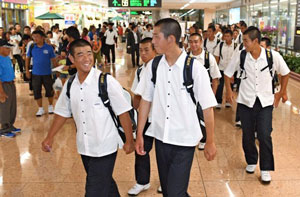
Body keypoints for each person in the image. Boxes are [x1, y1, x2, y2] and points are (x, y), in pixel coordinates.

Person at [41, 39, 135, 196]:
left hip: (105, 145)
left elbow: (123, 112)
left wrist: (129, 141)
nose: (86, 58)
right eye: (80, 55)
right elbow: (62, 112)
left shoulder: (106, 81)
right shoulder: (70, 84)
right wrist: (49, 137)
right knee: (105, 183)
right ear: (71, 59)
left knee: (94, 190)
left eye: (89, 53)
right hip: (84, 146)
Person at [135, 18, 217, 196]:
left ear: (170, 39)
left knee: (173, 192)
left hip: (184, 140)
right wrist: (140, 134)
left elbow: (208, 108)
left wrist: (210, 141)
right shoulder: (154, 66)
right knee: (169, 191)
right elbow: (145, 101)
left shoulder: (195, 69)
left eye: (156, 37)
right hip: (161, 138)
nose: (153, 41)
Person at [224, 26, 290, 183]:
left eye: (246, 41)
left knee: (264, 135)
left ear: (255, 41)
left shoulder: (272, 56)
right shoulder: (240, 55)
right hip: (246, 102)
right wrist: (228, 92)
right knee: (247, 135)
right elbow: (227, 74)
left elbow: (285, 73)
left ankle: (266, 168)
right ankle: (252, 160)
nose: (244, 43)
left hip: (265, 103)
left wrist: (281, 93)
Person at [128, 38, 157, 195]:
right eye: (141, 50)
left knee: (163, 152)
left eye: (147, 50)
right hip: (144, 118)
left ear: (155, 50)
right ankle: (142, 181)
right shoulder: (140, 71)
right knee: (141, 149)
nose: (143, 54)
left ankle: (165, 181)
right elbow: (137, 95)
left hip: (160, 117)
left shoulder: (162, 69)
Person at [188, 32, 221, 150]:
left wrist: (212, 95)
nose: (193, 45)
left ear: (201, 42)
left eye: (196, 42)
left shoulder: (208, 58)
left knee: (203, 117)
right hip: (189, 94)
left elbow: (215, 78)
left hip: (203, 93)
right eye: (191, 42)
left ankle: (204, 138)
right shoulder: (185, 57)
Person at [25, 30, 57, 117]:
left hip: (47, 73)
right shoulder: (32, 47)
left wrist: (56, 71)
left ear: (42, 37)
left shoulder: (49, 48)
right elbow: (27, 59)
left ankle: (50, 106)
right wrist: (27, 70)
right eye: (33, 37)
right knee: (37, 91)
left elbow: (54, 60)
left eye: (37, 36)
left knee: (49, 90)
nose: (35, 38)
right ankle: (40, 109)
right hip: (36, 74)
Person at [0, 39, 21, 138]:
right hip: (3, 85)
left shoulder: (7, 58)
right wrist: (1, 92)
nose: (9, 50)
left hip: (11, 84)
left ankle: (10, 125)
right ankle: (4, 129)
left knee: (12, 106)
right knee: (5, 107)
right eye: (7, 48)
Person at [214, 29, 236, 109]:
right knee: (220, 85)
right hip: (221, 68)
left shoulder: (236, 46)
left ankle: (228, 100)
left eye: (228, 36)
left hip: (231, 70)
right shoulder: (220, 45)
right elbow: (217, 56)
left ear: (232, 37)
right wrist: (215, 68)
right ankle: (218, 101)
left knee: (230, 85)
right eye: (225, 36)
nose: (226, 38)